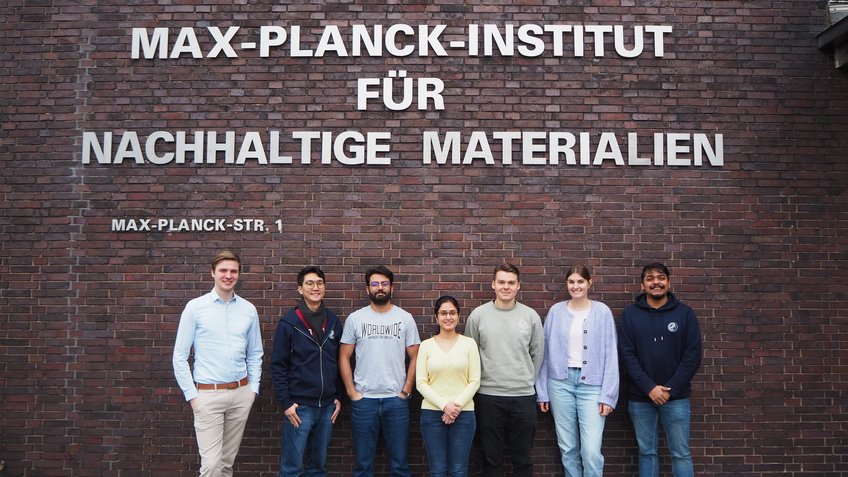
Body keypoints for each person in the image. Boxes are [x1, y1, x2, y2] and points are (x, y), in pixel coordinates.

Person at [172, 250, 263, 477]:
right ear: (213, 273)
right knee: (211, 465)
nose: (228, 275)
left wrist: (252, 390)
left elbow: (255, 354)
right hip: (207, 396)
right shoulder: (195, 308)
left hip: (241, 393)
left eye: (233, 271)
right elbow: (180, 356)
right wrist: (193, 397)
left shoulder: (248, 310)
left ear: (239, 275)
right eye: (223, 270)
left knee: (226, 464)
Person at [618, 263, 702, 477]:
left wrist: (669, 390)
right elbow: (627, 356)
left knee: (681, 453)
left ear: (669, 282)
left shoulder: (685, 314)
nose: (656, 282)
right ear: (642, 284)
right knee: (647, 453)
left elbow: (692, 357)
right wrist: (649, 388)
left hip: (676, 398)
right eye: (650, 278)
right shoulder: (629, 315)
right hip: (640, 397)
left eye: (661, 277)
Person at [535, 264, 619, 477]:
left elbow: (611, 355)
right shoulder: (556, 311)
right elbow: (545, 353)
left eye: (580, 281)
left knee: (591, 450)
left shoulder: (602, 312)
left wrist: (608, 395)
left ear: (590, 282)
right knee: (568, 448)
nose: (576, 286)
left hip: (592, 386)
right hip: (559, 384)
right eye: (571, 282)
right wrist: (542, 391)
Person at [339, 265, 421, 477]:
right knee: (363, 465)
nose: (380, 288)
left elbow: (415, 356)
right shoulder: (355, 319)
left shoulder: (405, 318)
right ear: (368, 289)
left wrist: (406, 391)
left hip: (396, 401)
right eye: (375, 284)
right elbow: (344, 356)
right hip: (364, 401)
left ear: (391, 287)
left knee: (400, 464)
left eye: (384, 284)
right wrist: (351, 392)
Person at [465, 263, 544, 477]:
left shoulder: (530, 317)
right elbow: (470, 355)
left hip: (523, 396)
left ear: (518, 286)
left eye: (511, 282)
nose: (506, 287)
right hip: (488, 397)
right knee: (492, 459)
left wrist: (526, 380)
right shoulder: (478, 316)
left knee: (523, 460)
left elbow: (538, 354)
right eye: (501, 282)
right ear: (493, 284)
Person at [270, 266, 342, 477]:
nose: (315, 287)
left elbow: (340, 361)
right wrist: (286, 403)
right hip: (299, 408)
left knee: (318, 468)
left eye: (319, 283)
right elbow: (278, 365)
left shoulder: (334, 321)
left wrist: (338, 395)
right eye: (309, 283)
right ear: (300, 289)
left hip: (327, 407)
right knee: (292, 469)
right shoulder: (289, 323)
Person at [416, 296, 482, 477]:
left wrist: (455, 406)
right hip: (431, 415)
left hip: (464, 414)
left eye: (452, 313)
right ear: (436, 317)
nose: (448, 317)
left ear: (459, 316)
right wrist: (445, 406)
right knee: (437, 471)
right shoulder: (426, 346)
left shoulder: (469, 344)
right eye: (443, 313)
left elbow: (475, 380)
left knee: (459, 471)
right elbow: (421, 383)